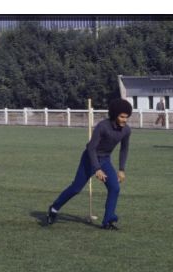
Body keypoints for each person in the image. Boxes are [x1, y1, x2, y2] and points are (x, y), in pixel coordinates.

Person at [46, 98, 133, 230]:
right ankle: (53, 208)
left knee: (115, 188)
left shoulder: (126, 130)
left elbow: (124, 149)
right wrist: (97, 168)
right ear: (115, 114)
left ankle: (108, 221)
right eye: (122, 117)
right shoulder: (102, 126)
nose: (124, 120)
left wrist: (121, 169)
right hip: (89, 159)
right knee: (76, 188)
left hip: (105, 160)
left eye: (127, 117)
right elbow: (91, 148)